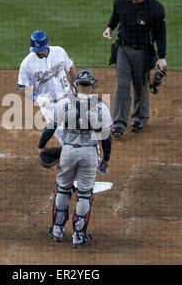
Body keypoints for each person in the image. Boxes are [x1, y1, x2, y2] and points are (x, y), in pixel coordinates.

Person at [38, 69, 112, 248]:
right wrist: (106, 159)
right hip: (89, 153)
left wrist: (41, 146)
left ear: (76, 84)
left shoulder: (64, 103)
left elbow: (50, 129)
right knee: (85, 194)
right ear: (92, 86)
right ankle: (78, 236)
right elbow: (107, 137)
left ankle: (57, 230)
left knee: (63, 189)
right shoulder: (101, 106)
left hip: (69, 151)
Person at [103, 0, 167, 138]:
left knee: (140, 85)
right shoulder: (120, 0)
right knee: (122, 85)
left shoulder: (155, 8)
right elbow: (116, 15)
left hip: (143, 52)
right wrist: (110, 27)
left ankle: (139, 118)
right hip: (123, 49)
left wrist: (162, 57)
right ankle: (118, 123)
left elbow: (161, 34)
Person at [18, 30, 76, 145]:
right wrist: (36, 98)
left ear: (47, 44)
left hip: (68, 97)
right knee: (64, 136)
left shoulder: (59, 52)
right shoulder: (27, 63)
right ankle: (70, 158)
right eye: (36, 51)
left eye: (41, 50)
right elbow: (22, 87)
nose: (39, 53)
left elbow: (70, 67)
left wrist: (76, 86)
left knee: (80, 128)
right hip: (49, 105)